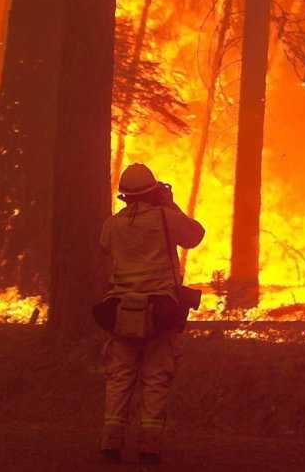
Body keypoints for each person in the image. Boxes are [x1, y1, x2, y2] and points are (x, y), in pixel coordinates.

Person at [98, 162, 205, 464]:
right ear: (153, 191)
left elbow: (104, 245)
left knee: (119, 377)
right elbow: (195, 235)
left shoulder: (112, 224)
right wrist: (171, 204)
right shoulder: (165, 217)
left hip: (121, 311)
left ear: (124, 196)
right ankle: (149, 446)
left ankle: (110, 442)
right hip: (160, 311)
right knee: (156, 376)